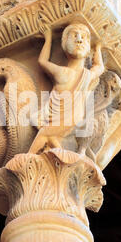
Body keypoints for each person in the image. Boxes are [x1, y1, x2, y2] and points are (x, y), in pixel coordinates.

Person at [28, 23, 104, 154]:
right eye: (75, 35)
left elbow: (42, 61)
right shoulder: (81, 74)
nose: (79, 39)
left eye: (84, 37)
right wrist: (98, 47)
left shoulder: (71, 73)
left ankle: (28, 157)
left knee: (43, 133)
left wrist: (48, 38)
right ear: (64, 43)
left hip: (69, 116)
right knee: (50, 136)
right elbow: (99, 66)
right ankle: (62, 157)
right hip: (73, 117)